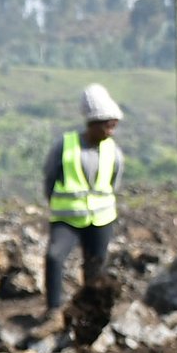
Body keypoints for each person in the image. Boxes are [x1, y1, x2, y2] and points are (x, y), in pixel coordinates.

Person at [43, 84, 123, 315]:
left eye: (114, 125)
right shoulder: (65, 146)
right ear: (93, 124)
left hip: (101, 220)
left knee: (95, 268)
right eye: (107, 125)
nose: (111, 130)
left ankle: (91, 313)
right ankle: (53, 310)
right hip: (67, 218)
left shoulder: (113, 152)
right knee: (54, 257)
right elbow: (49, 178)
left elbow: (114, 183)